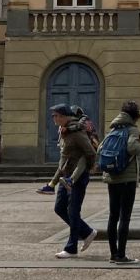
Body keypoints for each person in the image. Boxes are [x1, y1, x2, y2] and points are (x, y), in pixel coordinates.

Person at [47, 104, 98, 258]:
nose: (53, 119)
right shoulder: (63, 131)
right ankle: (87, 232)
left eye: (55, 116)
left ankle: (71, 248)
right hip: (66, 175)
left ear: (63, 116)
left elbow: (90, 152)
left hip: (77, 176)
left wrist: (87, 169)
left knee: (73, 210)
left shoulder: (76, 132)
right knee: (59, 208)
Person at [100, 100, 140, 264]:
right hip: (127, 179)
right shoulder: (132, 129)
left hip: (112, 178)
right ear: (136, 116)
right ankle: (121, 255)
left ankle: (113, 254)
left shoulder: (113, 129)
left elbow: (100, 149)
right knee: (125, 217)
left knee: (113, 216)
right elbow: (132, 148)